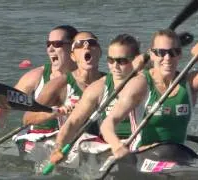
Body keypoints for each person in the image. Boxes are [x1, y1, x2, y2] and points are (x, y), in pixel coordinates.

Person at [100, 29, 198, 160]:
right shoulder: (140, 84)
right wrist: (117, 147)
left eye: (173, 52)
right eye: (161, 52)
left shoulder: (187, 83)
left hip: (177, 154)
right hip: (142, 156)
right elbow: (107, 124)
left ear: (180, 55)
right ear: (152, 54)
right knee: (168, 152)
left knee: (177, 153)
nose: (167, 58)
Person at [0, 25, 78, 159]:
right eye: (48, 44)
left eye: (57, 44)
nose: (50, 49)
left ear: (74, 48)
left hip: (73, 139)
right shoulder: (36, 76)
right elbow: (1, 107)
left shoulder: (89, 78)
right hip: (38, 140)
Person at [49, 34, 149, 164]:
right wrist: (58, 148)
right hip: (113, 147)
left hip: (144, 144)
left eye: (122, 61)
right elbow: (73, 123)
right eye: (111, 60)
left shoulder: (148, 80)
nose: (115, 66)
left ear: (136, 60)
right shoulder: (98, 88)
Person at [23, 31, 105, 134]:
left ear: (100, 52)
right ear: (73, 56)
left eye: (92, 43)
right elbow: (28, 118)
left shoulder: (110, 81)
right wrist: (57, 112)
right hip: (68, 141)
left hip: (101, 140)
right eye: (79, 44)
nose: (86, 47)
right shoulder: (59, 84)